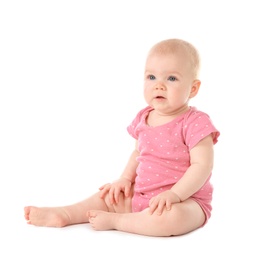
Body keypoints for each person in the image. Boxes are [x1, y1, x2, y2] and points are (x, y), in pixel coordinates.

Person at [24, 38, 220, 237]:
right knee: (110, 195)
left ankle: (118, 221)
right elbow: (138, 152)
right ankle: (66, 213)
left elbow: (202, 166)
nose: (159, 85)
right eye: (151, 77)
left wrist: (175, 195)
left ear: (193, 88)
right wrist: (125, 179)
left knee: (173, 218)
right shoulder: (144, 117)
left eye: (171, 79)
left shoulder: (195, 122)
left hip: (186, 201)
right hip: (143, 195)